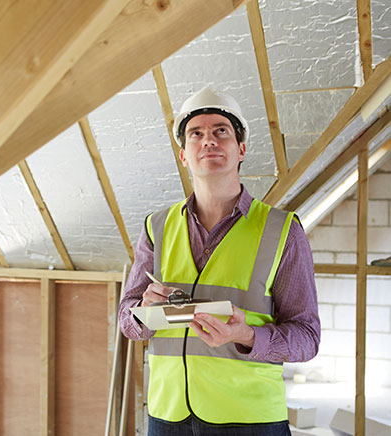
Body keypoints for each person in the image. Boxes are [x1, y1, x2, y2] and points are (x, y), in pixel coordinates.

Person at [119, 87, 320, 436]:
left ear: (241, 149)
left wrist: (247, 336)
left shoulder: (281, 230)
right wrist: (143, 315)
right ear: (184, 155)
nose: (208, 141)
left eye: (220, 131)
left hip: (250, 419)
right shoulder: (157, 227)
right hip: (168, 416)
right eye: (196, 134)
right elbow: (126, 318)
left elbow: (307, 337)